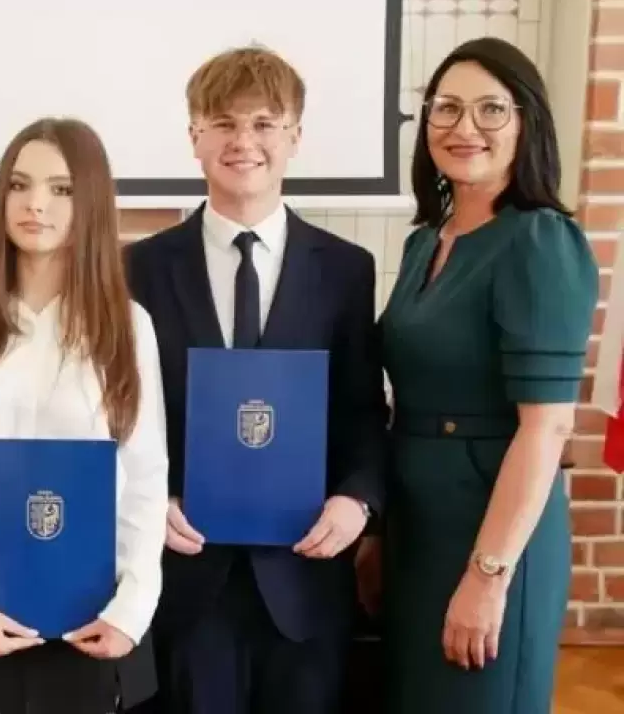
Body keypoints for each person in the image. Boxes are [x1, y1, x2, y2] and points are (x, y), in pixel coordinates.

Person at [123, 45, 388, 714]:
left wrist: (356, 501)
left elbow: (360, 412)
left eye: (264, 123)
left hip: (305, 573)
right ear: (194, 137)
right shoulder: (139, 270)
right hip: (185, 575)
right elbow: (118, 414)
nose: (243, 141)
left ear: (295, 136)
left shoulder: (345, 270)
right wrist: (147, 501)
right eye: (223, 123)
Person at [0, 117, 169, 714]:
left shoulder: (128, 328)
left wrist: (131, 608)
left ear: (91, 201)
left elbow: (145, 478)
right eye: (19, 185)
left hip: (96, 598)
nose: (35, 204)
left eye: (61, 189)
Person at [377, 37, 597, 714]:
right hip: (417, 526)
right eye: (445, 108)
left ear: (526, 122)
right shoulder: (426, 241)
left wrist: (488, 574)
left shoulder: (539, 239)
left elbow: (546, 428)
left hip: (490, 531)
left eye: (490, 109)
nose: (463, 127)